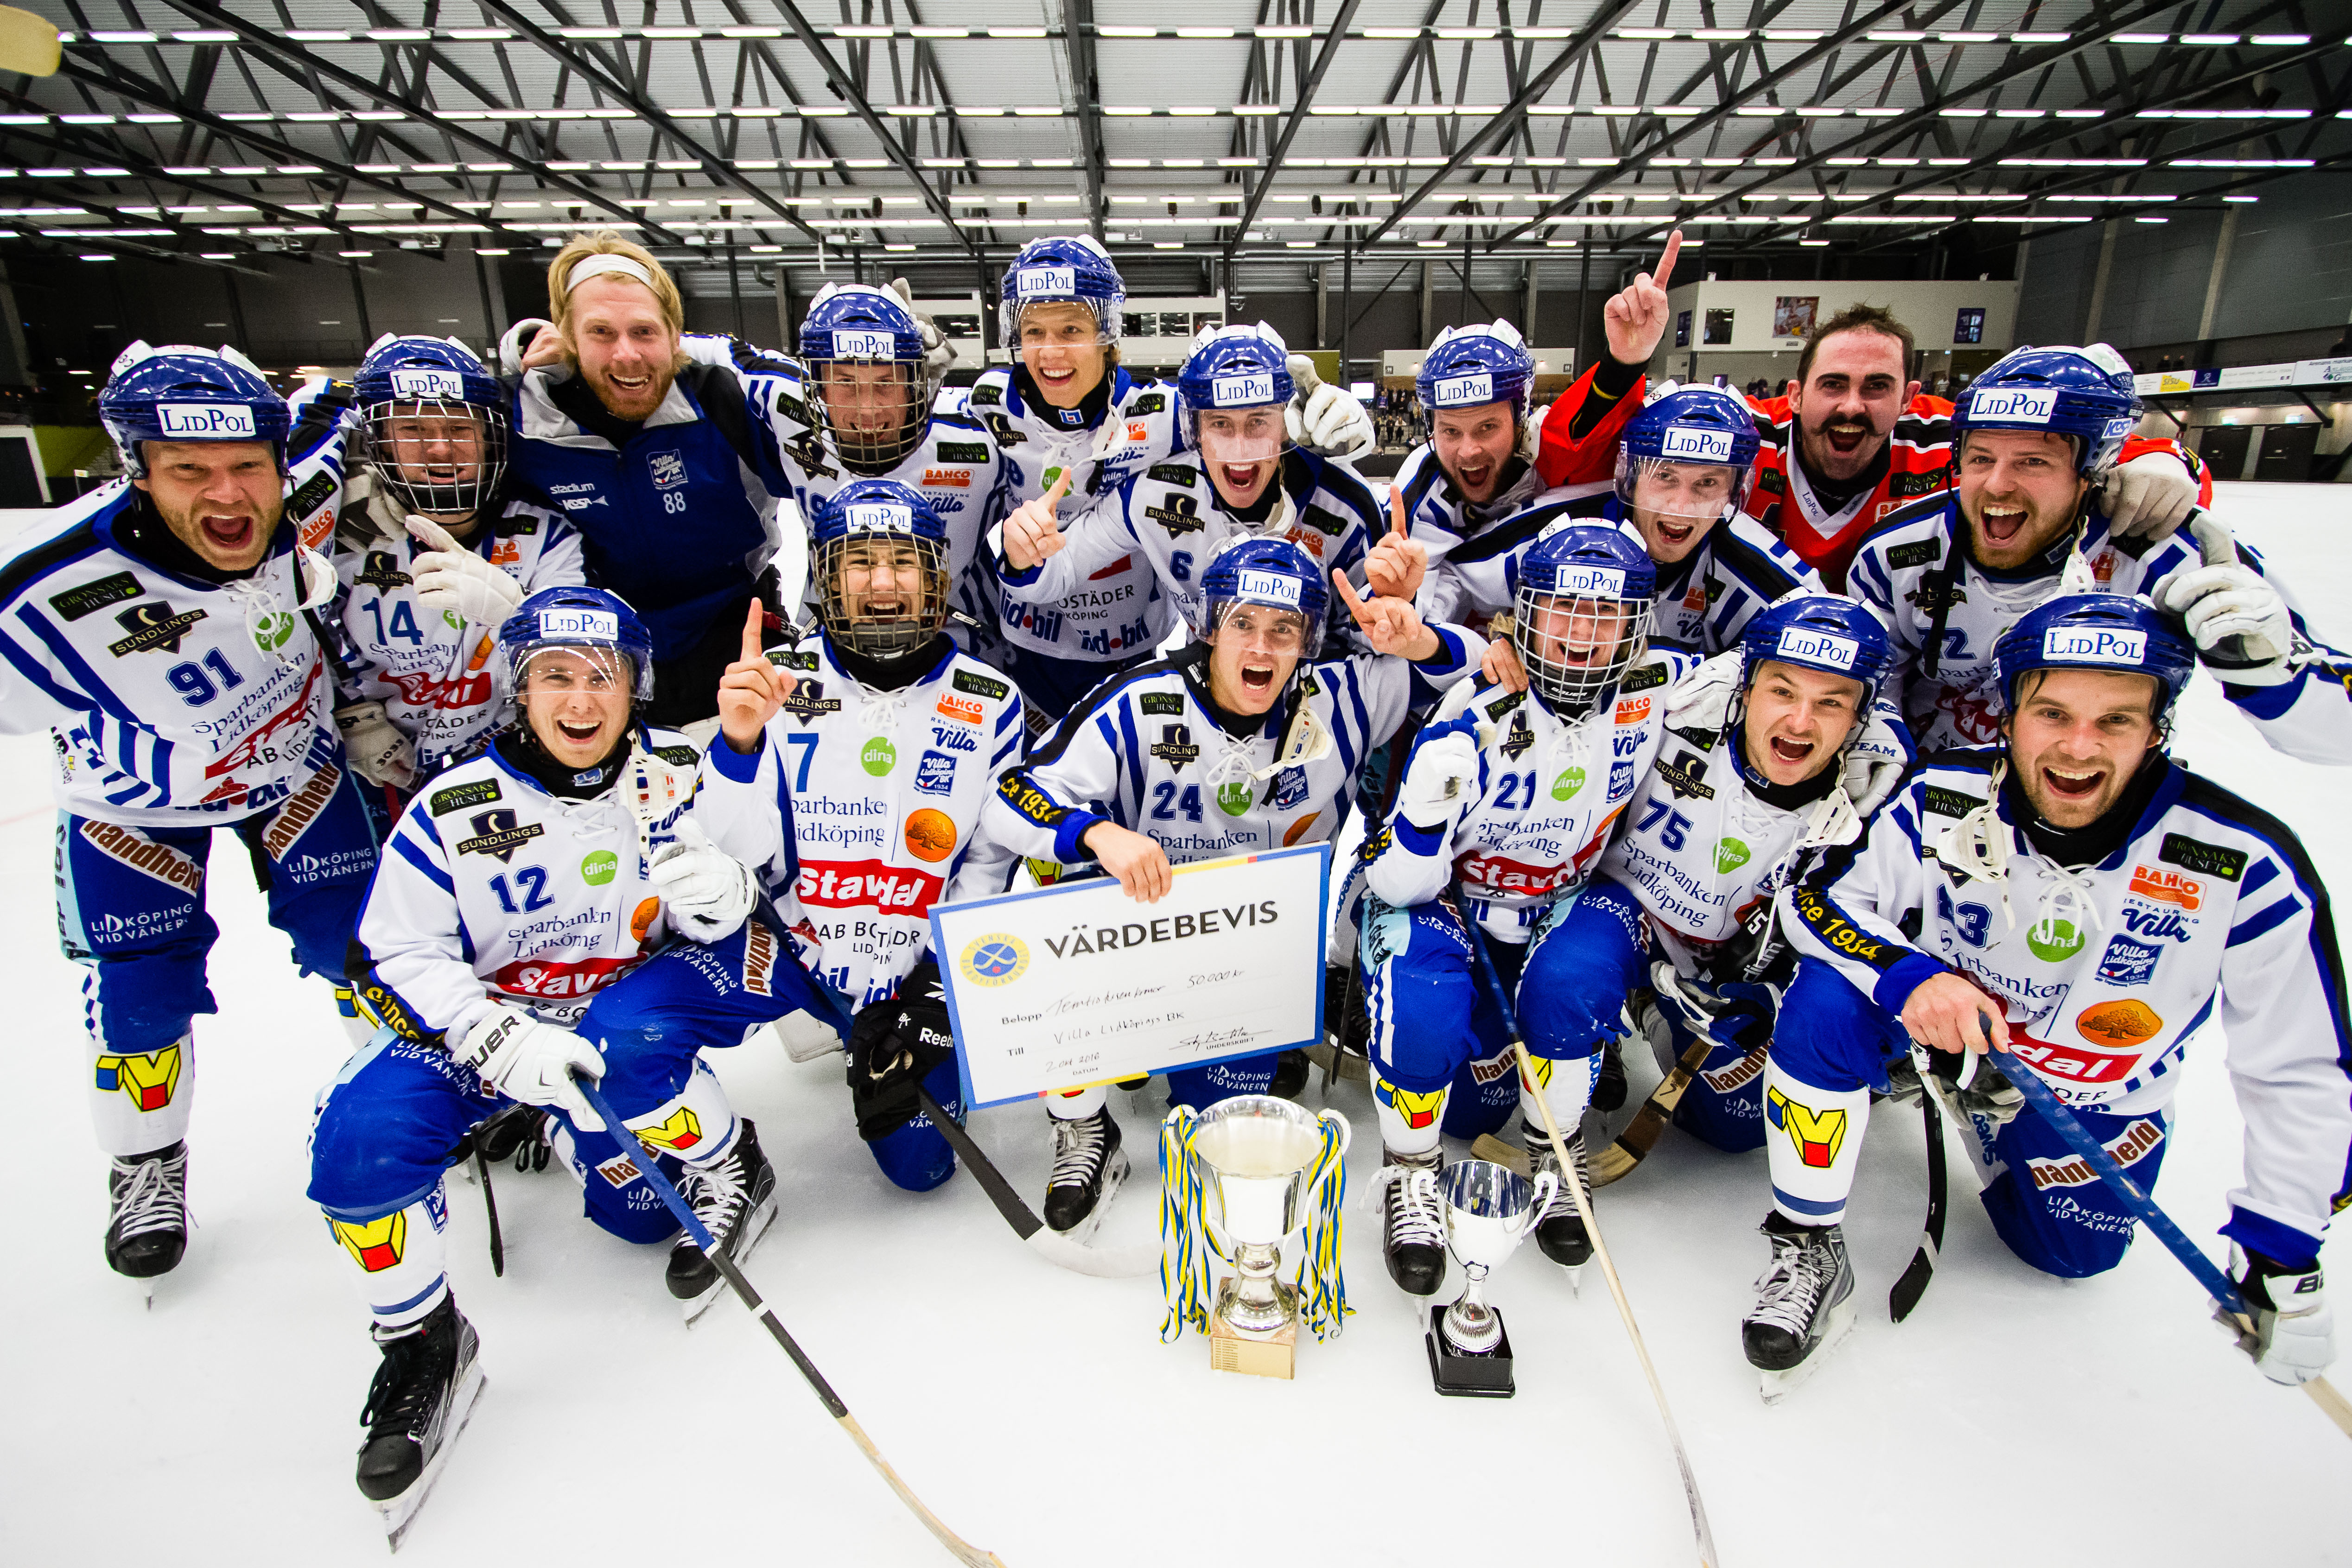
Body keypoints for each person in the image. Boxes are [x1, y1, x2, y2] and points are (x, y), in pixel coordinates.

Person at [310, 584, 819, 1524]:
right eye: (554, 676)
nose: (580, 700)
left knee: (633, 1218)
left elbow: (758, 895)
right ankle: (422, 1341)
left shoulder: (675, 768)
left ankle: (726, 1159)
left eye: (602, 676)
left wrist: (717, 892)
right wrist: (492, 1033)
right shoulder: (454, 802)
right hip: (493, 1028)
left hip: (614, 1023)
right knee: (358, 1139)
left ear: (635, 687)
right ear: (518, 686)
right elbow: (393, 950)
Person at [1750, 593, 2347, 1396]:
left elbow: (2300, 1070)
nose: (2075, 747)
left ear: (2156, 726)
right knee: (1822, 1003)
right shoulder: (1944, 793)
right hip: (1944, 1028)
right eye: (2051, 712)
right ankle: (1807, 1237)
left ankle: (1985, 1117)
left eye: (2114, 721)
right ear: (2010, 713)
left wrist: (2281, 1252)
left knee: (2069, 1256)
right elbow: (1818, 897)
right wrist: (1910, 976)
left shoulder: (2240, 859)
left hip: (2087, 1082)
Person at [0, 341, 374, 1285]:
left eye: (249, 465)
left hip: (294, 767)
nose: (230, 495)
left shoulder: (307, 492)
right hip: (134, 805)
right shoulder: (48, 592)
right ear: (137, 470)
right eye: (189, 471)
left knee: (369, 946)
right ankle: (146, 1162)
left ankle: (410, 1092)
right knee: (136, 993)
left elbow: (347, 402)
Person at [987, 538, 1483, 1232]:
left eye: (1284, 629)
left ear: (1307, 639)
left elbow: (1478, 669)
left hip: (1244, 960)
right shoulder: (1141, 699)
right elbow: (1011, 794)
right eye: (1243, 622)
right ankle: (1082, 1124)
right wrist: (1098, 834)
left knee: (1215, 1144)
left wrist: (1421, 637)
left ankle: (1198, 1062)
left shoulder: (1339, 699)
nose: (1262, 645)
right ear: (1209, 625)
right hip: (1139, 937)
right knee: (1047, 887)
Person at [1355, 525, 1700, 1289]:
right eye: (1562, 609)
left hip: (1561, 898)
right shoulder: (1472, 705)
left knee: (1570, 983)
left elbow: (1787, 683)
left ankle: (1556, 1147)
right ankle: (1410, 1173)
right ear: (1523, 615)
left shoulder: (1662, 681)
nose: (1580, 634)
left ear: (1638, 625)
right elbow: (1393, 883)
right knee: (1430, 1028)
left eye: (1604, 615)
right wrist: (1417, 816)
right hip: (1453, 901)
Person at [1532, 233, 2206, 589]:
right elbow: (1573, 458)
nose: (1851, 406)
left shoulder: (1947, 442)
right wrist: (1622, 365)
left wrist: (2157, 465)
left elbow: (2059, 444)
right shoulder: (1744, 432)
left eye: (1876, 386)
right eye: (1832, 384)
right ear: (1793, 397)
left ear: (1910, 397)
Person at [1523, 595, 1901, 1164]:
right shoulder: (1679, 697)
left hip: (1737, 960)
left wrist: (1775, 994)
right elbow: (1561, 669)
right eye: (1781, 691)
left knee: (1732, 1127)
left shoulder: (1880, 788)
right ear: (1746, 686)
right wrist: (1500, 648)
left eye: (1830, 703)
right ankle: (1554, 1142)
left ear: (1859, 716)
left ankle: (1652, 1008)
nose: (1799, 722)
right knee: (1567, 976)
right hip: (1632, 910)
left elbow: (1873, 931)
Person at [1846, 344, 2352, 762]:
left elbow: (2341, 736)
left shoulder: (2173, 553)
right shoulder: (1894, 551)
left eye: (2033, 461)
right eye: (1980, 458)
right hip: (1928, 793)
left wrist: (2268, 676)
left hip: (2089, 800)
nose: (1996, 485)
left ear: (2095, 468)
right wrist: (1878, 743)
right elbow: (1871, 677)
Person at [753, 480, 1023, 1194]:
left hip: (914, 963)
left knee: (921, 1168)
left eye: (903, 563)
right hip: (802, 952)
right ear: (828, 579)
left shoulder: (990, 698)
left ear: (935, 579)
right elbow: (741, 844)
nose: (882, 581)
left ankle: (914, 1028)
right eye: (860, 562)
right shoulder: (779, 682)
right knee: (640, 1026)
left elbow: (989, 861)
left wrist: (932, 990)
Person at [505, 232, 793, 731]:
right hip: (597, 658)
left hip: (733, 636)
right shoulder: (526, 423)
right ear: (567, 337)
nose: (627, 355)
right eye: (600, 333)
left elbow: (831, 431)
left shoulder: (721, 398)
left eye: (644, 332)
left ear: (674, 335)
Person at [998, 323, 1399, 654]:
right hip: (1209, 692)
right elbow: (1061, 571)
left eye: (1259, 421)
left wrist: (1396, 607)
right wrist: (1022, 554)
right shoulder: (1152, 494)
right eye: (1220, 424)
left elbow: (1380, 644)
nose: (1239, 449)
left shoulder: (1349, 509)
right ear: (1195, 429)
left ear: (1287, 425)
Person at [326, 333, 585, 805]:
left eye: (461, 430)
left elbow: (579, 653)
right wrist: (356, 718)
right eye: (413, 430)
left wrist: (519, 615)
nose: (440, 449)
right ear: (378, 441)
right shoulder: (337, 536)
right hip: (370, 767)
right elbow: (307, 639)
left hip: (505, 757)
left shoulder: (546, 533)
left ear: (491, 437)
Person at [964, 236, 1181, 727]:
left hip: (1132, 659)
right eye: (1034, 330)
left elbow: (1250, 441)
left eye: (1071, 329)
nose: (1050, 351)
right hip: (1027, 656)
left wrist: (1314, 437)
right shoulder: (990, 404)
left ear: (1107, 334)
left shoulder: (1163, 414)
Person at [1435, 382, 1820, 656]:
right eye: (1665, 477)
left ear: (1734, 493)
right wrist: (1490, 647)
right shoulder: (1562, 525)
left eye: (1707, 484)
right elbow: (1457, 575)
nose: (1680, 506)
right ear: (1630, 477)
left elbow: (1833, 640)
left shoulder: (1757, 564)